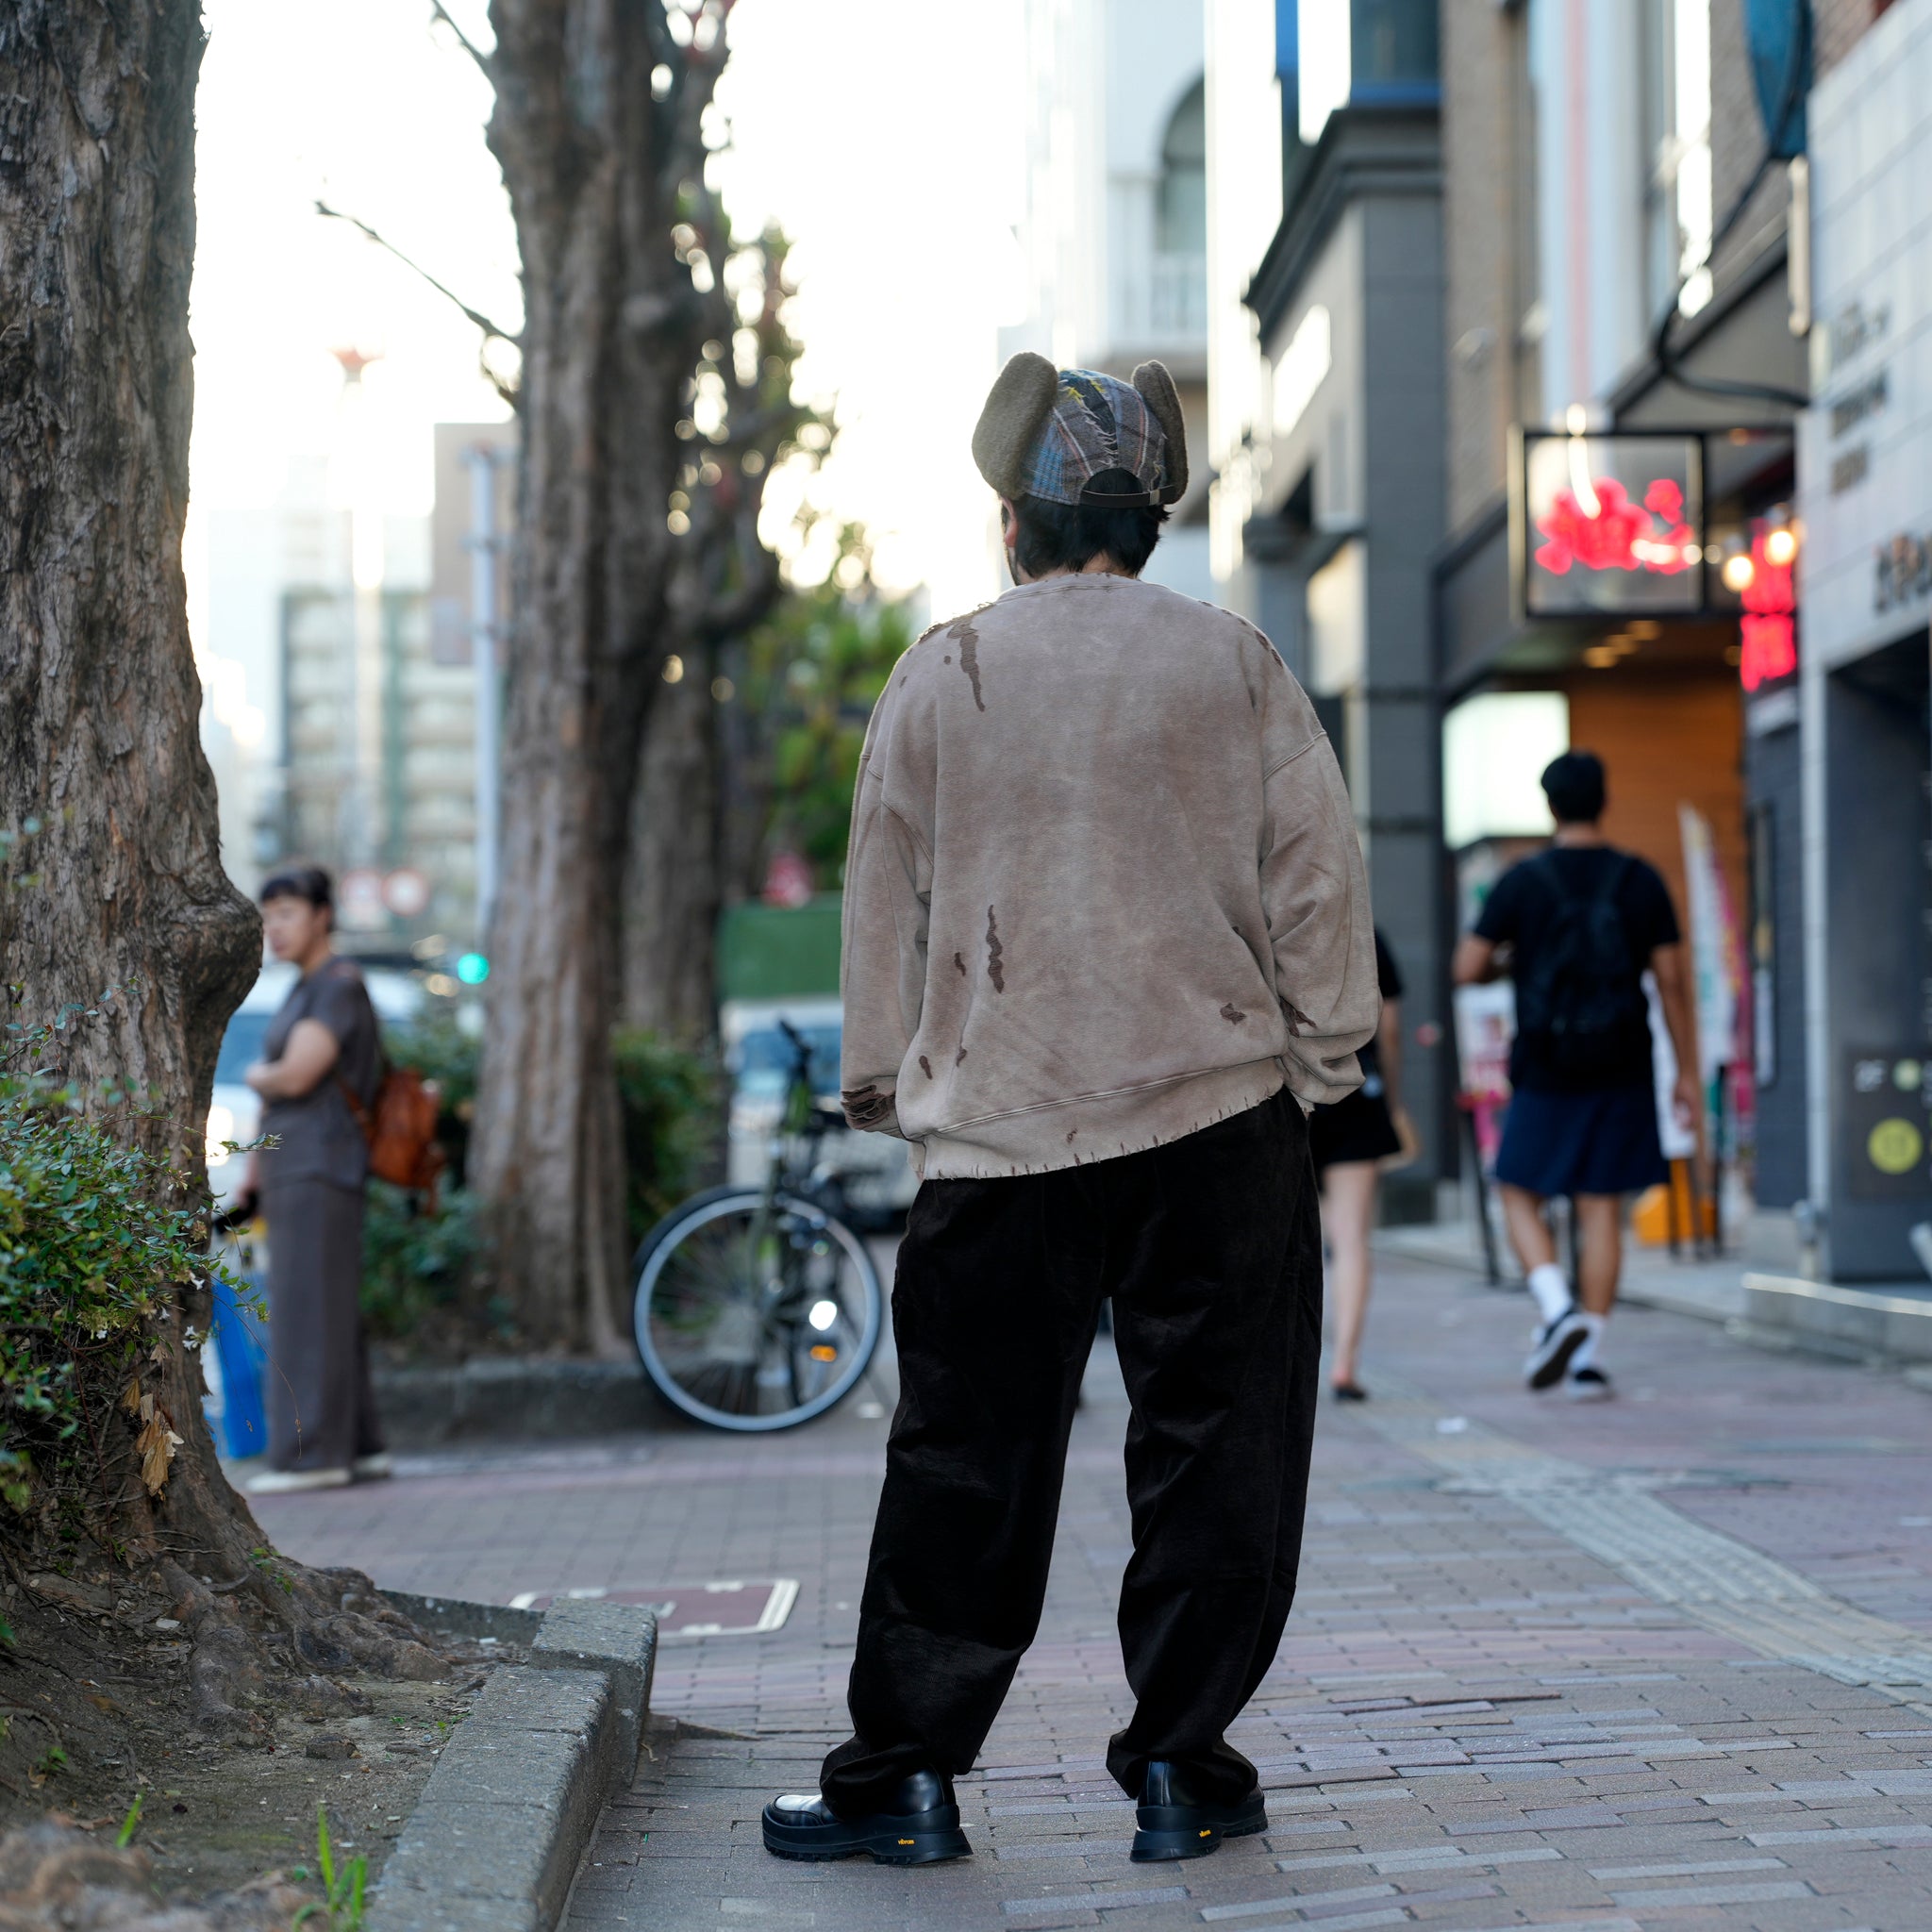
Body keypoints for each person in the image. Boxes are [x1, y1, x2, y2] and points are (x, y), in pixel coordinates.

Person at [760, 355, 1378, 1869]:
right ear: (1146, 524)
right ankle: (1180, 1766)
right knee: (1219, 1445)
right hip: (1219, 1106)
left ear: (1012, 522)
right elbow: (1318, 876)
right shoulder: (1234, 662)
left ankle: (906, 1775)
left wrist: (882, 1077)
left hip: (1000, 1119)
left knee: (967, 1454)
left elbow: (885, 891)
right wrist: (1327, 1063)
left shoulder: (940, 668)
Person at [1451, 751, 1699, 1401]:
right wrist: (1689, 1075)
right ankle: (1586, 1358)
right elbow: (1672, 983)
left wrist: (1513, 962)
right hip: (1623, 1063)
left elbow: (1465, 967)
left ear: (1549, 805)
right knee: (1600, 1208)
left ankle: (1556, 1306)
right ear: (1603, 800)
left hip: (1546, 1064)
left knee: (1515, 1188)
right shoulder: (1640, 880)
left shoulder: (1522, 882)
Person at [231, 868, 391, 1493]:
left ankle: (313, 1455)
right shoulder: (305, 988)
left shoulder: (336, 985)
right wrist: (254, 1166)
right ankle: (363, 1446)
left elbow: (296, 1075)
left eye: (288, 912)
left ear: (324, 915)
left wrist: (254, 1074)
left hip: (320, 1166)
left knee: (304, 1309)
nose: (275, 927)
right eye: (268, 915)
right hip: (297, 1165)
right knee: (327, 1310)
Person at [1308, 928, 1407, 1401]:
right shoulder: (1364, 931)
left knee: (1297, 1238)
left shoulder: (1271, 915)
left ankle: (1296, 1362)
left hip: (1292, 1093)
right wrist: (1395, 1100)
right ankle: (1344, 1364)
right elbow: (1389, 1028)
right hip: (1355, 1089)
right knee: (1351, 1241)